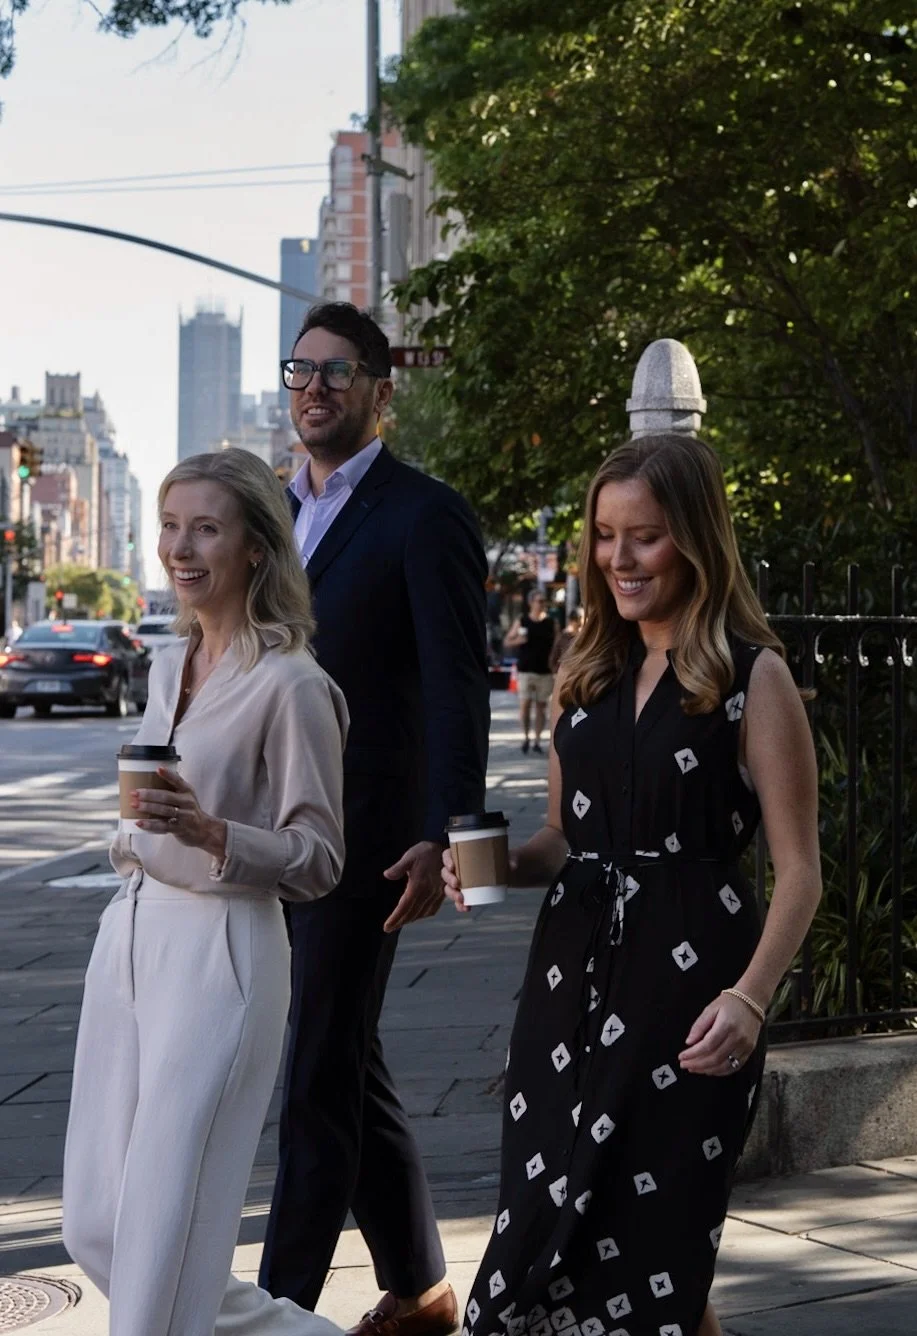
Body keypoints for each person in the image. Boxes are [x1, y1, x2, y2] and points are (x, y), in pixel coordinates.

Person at [442, 432, 822, 1336]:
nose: (618, 558)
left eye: (643, 536)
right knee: (539, 1232)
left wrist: (749, 999)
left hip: (689, 990)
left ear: (693, 537)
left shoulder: (751, 675)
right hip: (565, 985)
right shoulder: (589, 671)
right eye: (604, 537)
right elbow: (559, 842)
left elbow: (800, 871)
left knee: (657, 1247)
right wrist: (484, 864)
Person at [62, 449, 349, 1336]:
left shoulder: (293, 684)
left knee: (160, 1237)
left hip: (223, 949)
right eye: (171, 526)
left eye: (206, 528)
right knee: (97, 1225)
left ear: (257, 547)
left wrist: (214, 833)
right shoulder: (163, 664)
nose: (180, 549)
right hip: (132, 939)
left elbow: (320, 857)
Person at [260, 303, 490, 1336]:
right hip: (271, 831)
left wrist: (450, 834)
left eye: (336, 373)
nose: (313, 389)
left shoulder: (421, 513)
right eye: (299, 372)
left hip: (368, 841)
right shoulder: (265, 508)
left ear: (378, 392)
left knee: (311, 1073)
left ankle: (273, 1313)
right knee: (343, 1051)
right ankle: (420, 1287)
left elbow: (454, 684)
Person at [504, 590, 559, 753]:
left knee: (541, 707)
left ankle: (537, 740)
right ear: (531, 603)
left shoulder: (551, 622)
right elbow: (507, 641)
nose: (541, 604)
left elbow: (557, 646)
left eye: (543, 601)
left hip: (545, 671)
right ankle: (526, 737)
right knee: (525, 705)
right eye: (539, 601)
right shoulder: (522, 620)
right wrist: (518, 640)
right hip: (525, 670)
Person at [548, 608, 583, 674]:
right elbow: (553, 659)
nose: (580, 627)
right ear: (571, 621)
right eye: (576, 621)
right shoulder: (563, 638)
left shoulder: (588, 638)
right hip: (566, 677)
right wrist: (560, 674)